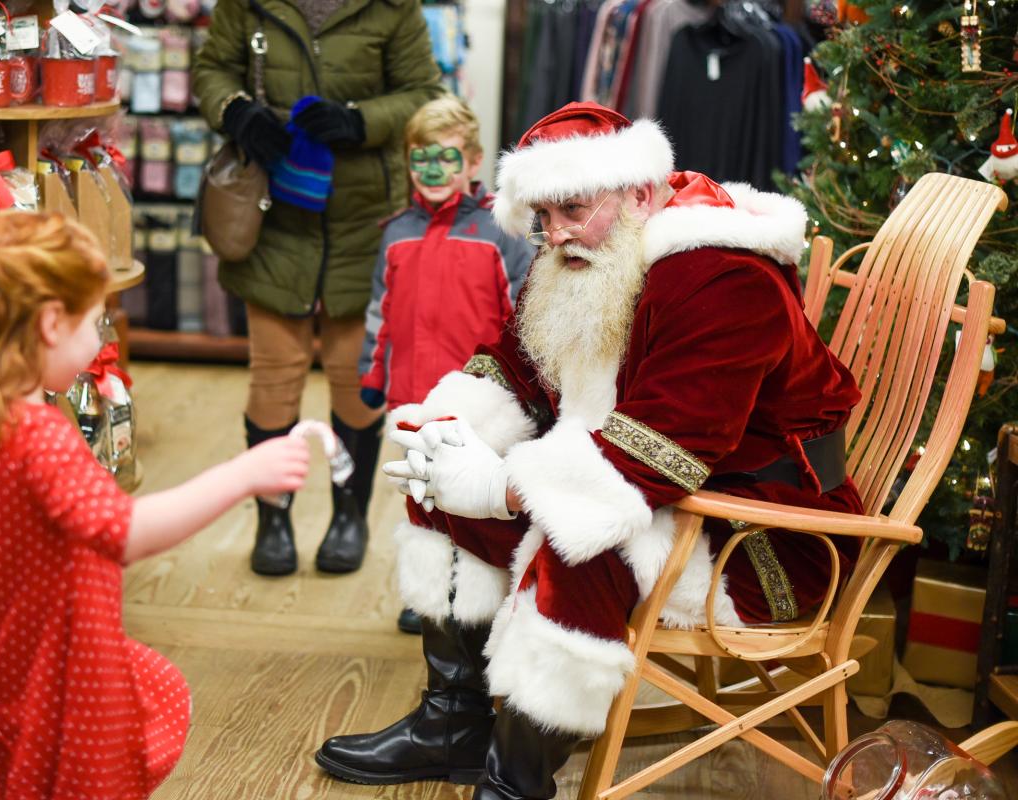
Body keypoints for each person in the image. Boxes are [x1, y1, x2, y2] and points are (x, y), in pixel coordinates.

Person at [315, 102, 863, 799]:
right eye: (542, 218)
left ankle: (516, 782)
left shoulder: (723, 278)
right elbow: (514, 366)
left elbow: (662, 452)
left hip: (760, 533)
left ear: (638, 191)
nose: (556, 234)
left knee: (581, 542)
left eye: (572, 209)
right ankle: (452, 724)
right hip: (670, 495)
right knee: (435, 481)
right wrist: (443, 433)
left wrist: (497, 486)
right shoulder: (594, 254)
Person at [0, 212, 310, 800]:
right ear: (48, 324)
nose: (100, 341)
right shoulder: (36, 435)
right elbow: (126, 531)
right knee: (87, 781)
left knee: (24, 773)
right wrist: (240, 474)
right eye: (95, 322)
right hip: (61, 661)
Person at [193, 0, 444, 577]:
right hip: (273, 214)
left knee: (356, 386)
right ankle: (272, 519)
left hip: (364, 222)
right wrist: (236, 114)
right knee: (274, 379)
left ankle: (348, 519)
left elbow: (423, 93)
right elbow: (211, 72)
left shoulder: (393, 9)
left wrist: (359, 120)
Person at [359, 96, 535, 633]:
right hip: (411, 393)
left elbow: (523, 312)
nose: (433, 171)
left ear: (473, 162)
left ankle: (477, 598)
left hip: (478, 399)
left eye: (446, 158)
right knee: (420, 499)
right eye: (421, 159)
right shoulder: (395, 233)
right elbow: (378, 311)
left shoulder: (499, 232)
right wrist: (372, 372)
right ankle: (427, 596)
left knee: (471, 497)